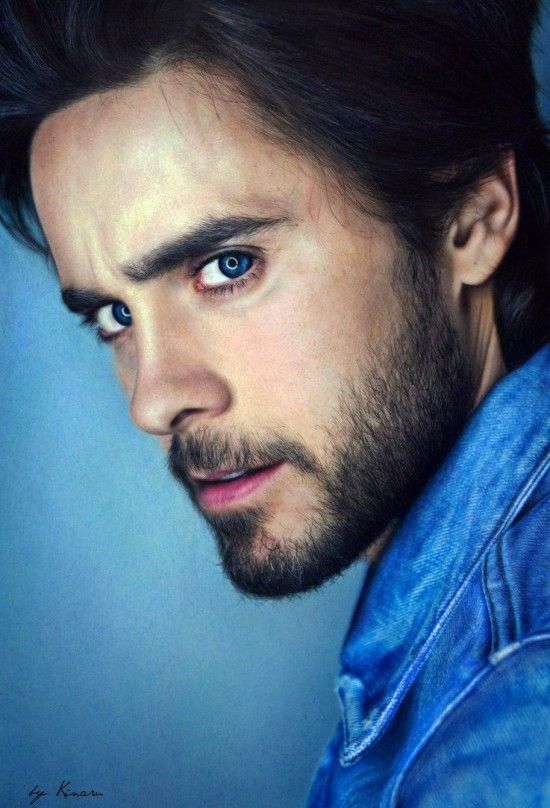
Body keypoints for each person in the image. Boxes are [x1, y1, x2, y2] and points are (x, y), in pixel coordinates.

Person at [0, 1, 548, 804]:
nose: (154, 401)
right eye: (114, 315)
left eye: (227, 266)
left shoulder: (508, 723)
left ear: (472, 219)